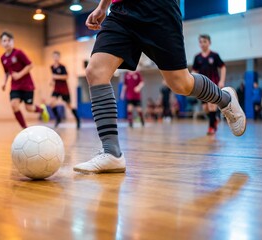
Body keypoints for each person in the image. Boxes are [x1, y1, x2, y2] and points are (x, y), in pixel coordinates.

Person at [73, 0, 246, 174]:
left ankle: (225, 99)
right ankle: (112, 152)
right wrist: (103, 6)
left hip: (158, 8)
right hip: (121, 12)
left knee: (181, 84)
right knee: (96, 71)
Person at [0, 31, 49, 129]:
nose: (7, 42)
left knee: (29, 108)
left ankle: (42, 110)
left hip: (27, 85)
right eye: (4, 41)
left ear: (12, 41)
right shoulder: (3, 58)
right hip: (15, 86)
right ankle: (24, 128)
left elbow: (30, 65)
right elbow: (6, 72)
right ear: (1, 43)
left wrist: (19, 74)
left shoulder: (18, 53)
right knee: (14, 105)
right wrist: (4, 82)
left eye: (9, 40)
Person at [192, 34, 227, 135]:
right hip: (202, 86)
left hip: (213, 84)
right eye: (201, 42)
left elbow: (223, 67)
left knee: (211, 105)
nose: (202, 44)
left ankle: (211, 128)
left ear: (209, 43)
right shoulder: (197, 57)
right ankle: (214, 118)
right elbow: (194, 71)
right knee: (205, 108)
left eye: (204, 41)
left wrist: (222, 81)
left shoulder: (214, 55)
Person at [49, 51, 81, 129]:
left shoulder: (62, 67)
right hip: (56, 88)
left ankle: (77, 119)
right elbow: (53, 77)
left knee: (69, 105)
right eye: (54, 56)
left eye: (57, 56)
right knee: (51, 103)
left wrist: (56, 77)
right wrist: (51, 81)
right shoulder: (52, 67)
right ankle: (58, 118)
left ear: (59, 57)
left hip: (64, 89)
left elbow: (66, 76)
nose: (55, 58)